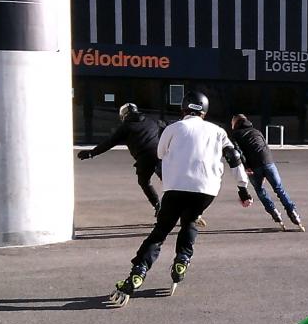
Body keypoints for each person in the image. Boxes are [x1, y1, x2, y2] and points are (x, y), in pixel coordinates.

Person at [108, 91, 253, 308]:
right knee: (190, 221)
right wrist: (243, 189)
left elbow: (160, 153)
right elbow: (234, 158)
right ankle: (182, 260)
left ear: (184, 108)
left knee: (160, 231)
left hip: (175, 187)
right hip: (206, 190)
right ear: (204, 111)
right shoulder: (218, 131)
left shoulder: (173, 128)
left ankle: (138, 273)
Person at [77, 103, 166, 215]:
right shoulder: (151, 121)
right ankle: (179, 207)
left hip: (144, 158)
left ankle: (158, 205)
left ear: (123, 115)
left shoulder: (125, 127)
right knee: (169, 182)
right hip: (160, 155)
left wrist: (91, 153)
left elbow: (109, 143)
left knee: (144, 182)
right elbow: (166, 128)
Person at [229, 114, 304, 231]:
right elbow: (265, 146)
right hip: (268, 162)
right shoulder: (256, 131)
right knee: (279, 189)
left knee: (260, 189)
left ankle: (274, 212)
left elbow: (238, 152)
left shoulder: (235, 135)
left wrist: (246, 166)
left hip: (254, 166)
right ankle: (293, 212)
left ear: (236, 123)